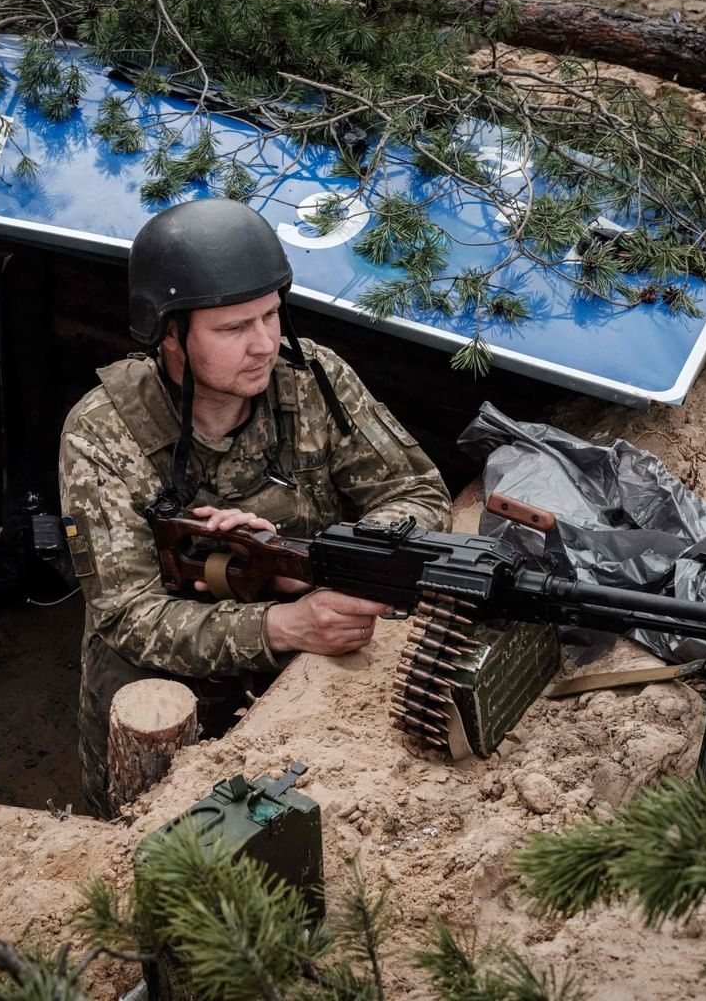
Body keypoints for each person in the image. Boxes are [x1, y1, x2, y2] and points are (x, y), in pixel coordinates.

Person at [60, 198, 452, 815]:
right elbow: (129, 616)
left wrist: (318, 562)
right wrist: (283, 624)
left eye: (271, 315)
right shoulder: (104, 432)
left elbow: (416, 493)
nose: (264, 344)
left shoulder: (313, 379)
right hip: (161, 680)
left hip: (303, 664)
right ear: (169, 335)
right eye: (233, 329)